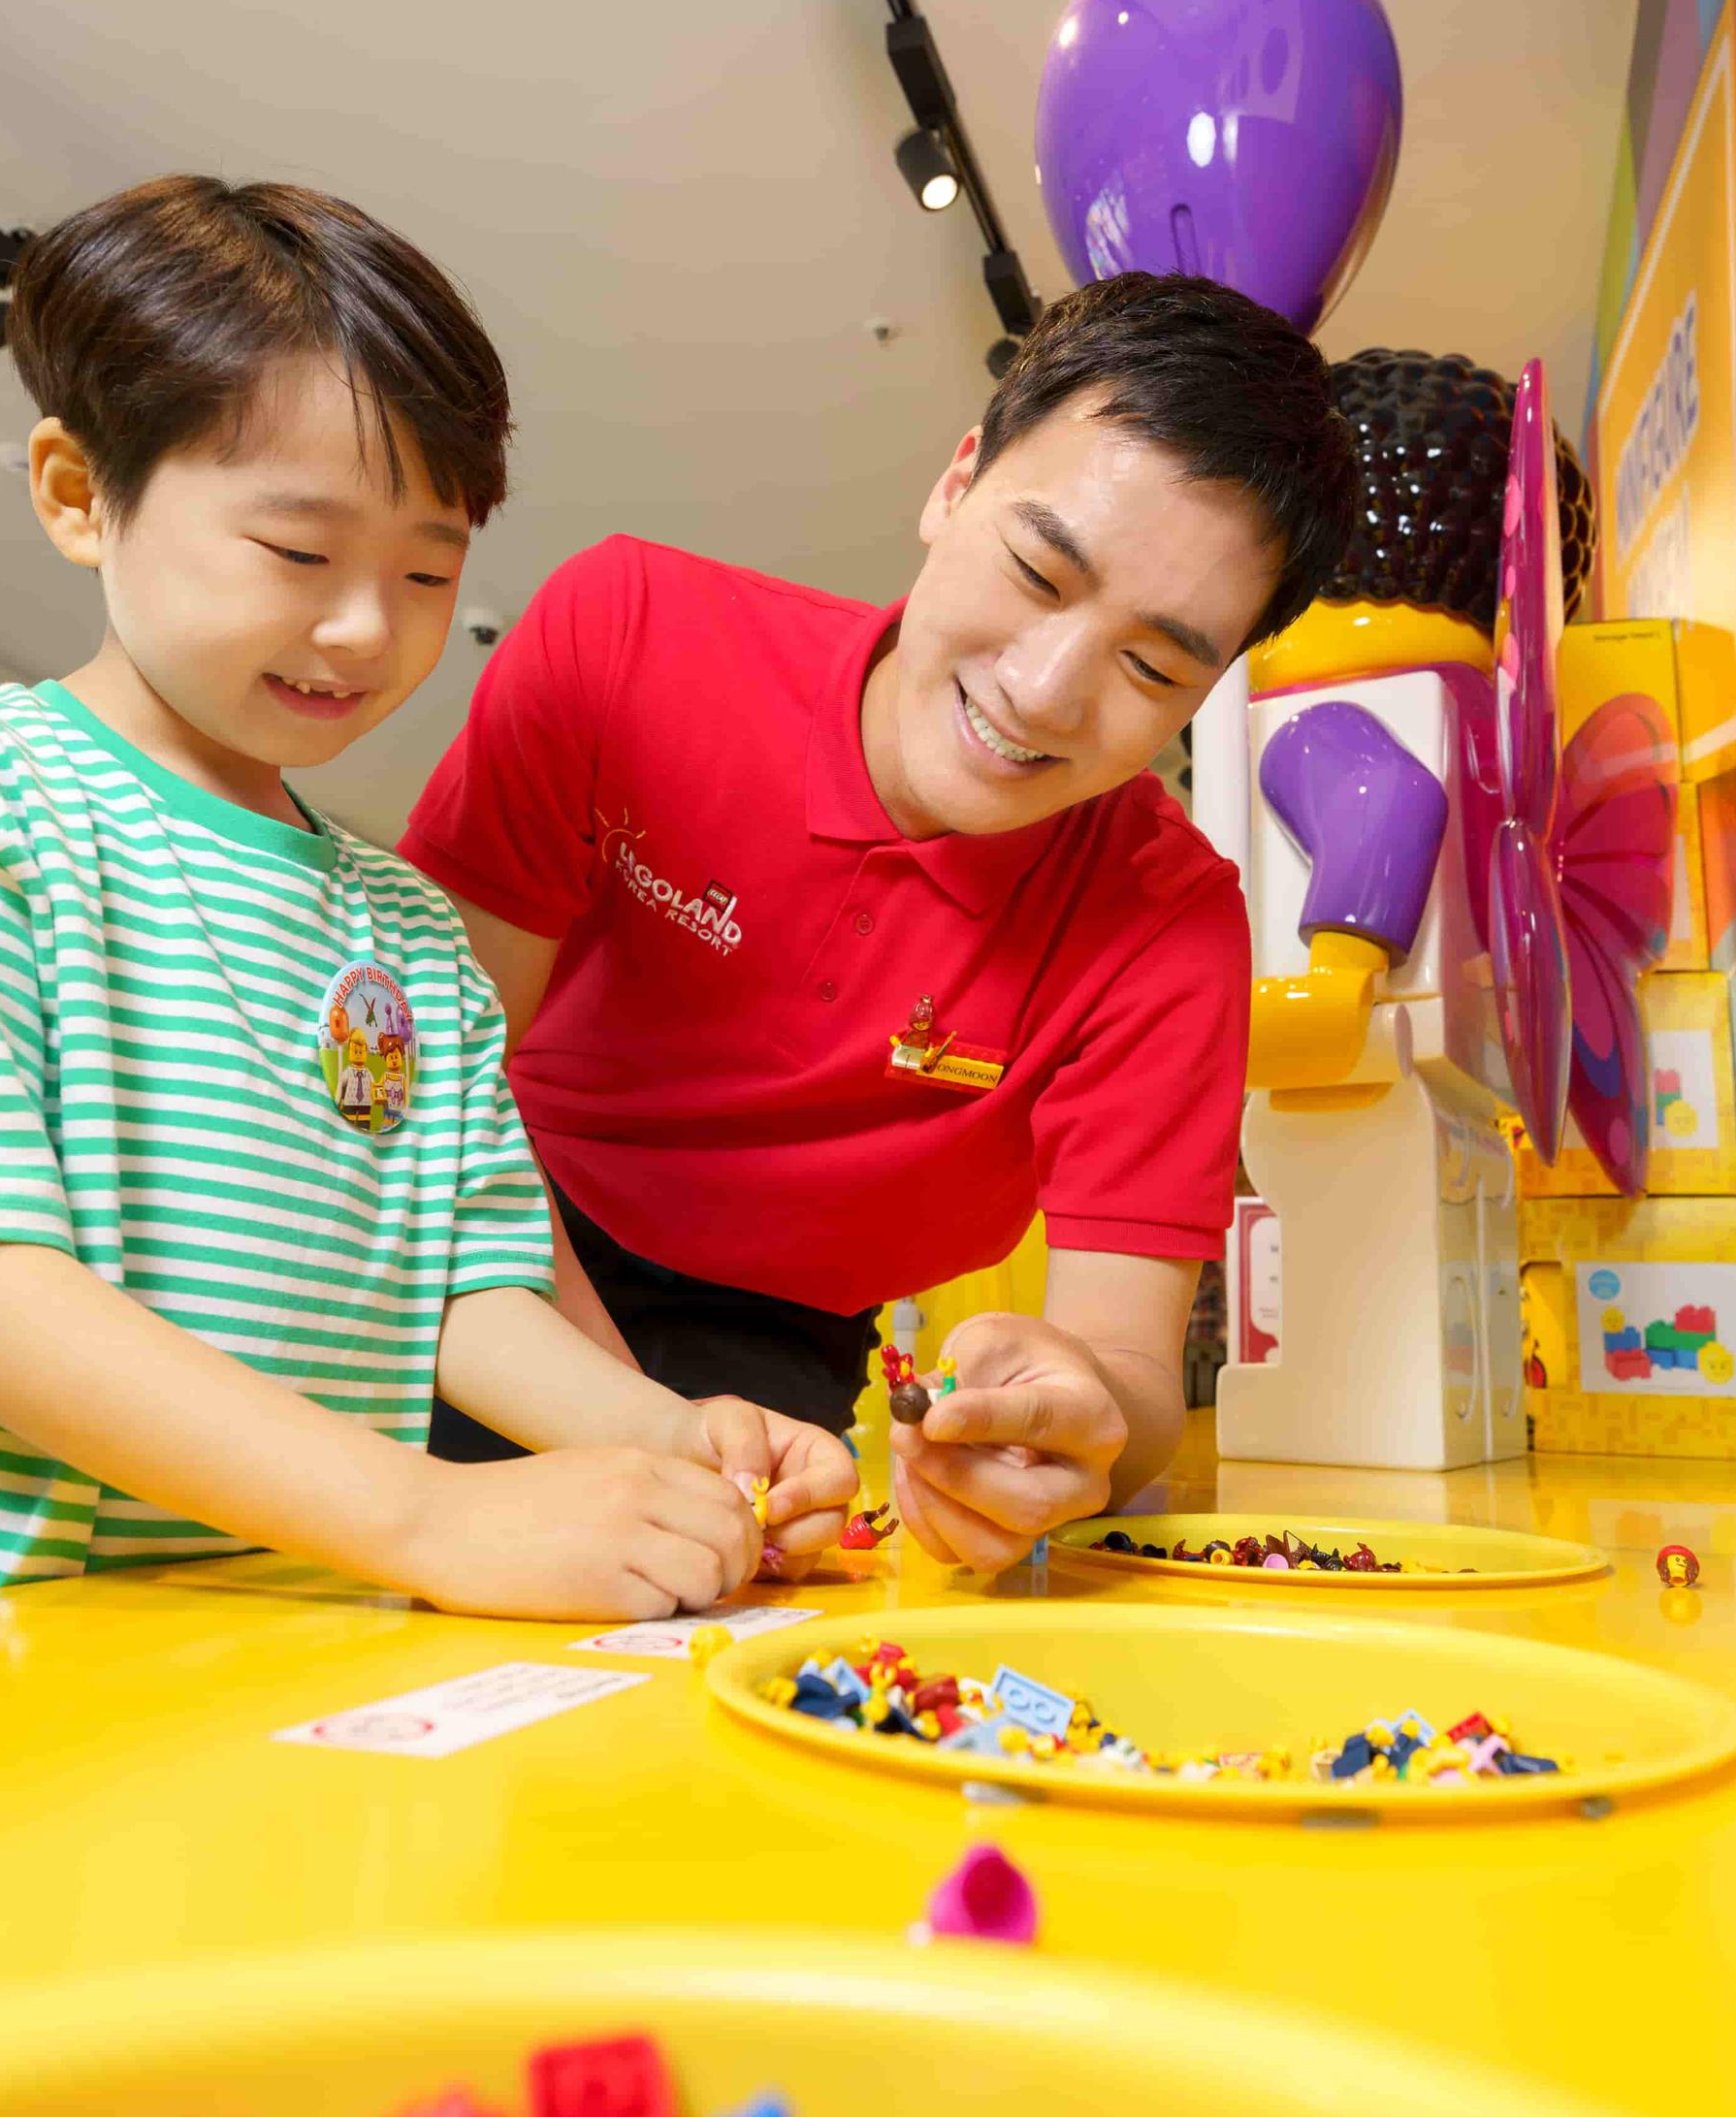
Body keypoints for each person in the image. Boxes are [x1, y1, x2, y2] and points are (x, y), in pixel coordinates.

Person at [0, 176, 855, 1635]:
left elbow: (469, 1297)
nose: (366, 628)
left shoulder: (408, 933)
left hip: (242, 1640)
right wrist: (429, 1512)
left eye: (426, 571)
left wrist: (668, 1440)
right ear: (82, 497)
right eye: (298, 553)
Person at [402, 273, 1353, 1569]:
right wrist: (620, 1420)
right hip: (483, 1245)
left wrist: (1069, 1422)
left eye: (1153, 668)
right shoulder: (626, 640)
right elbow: (421, 1109)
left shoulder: (1167, 924)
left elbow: (1132, 1382)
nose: (1044, 693)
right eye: (1036, 571)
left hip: (777, 1353)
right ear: (956, 482)